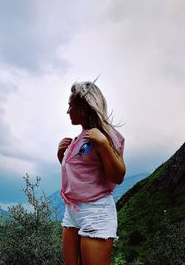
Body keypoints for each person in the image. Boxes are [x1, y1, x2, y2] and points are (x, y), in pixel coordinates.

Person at [57, 80, 126, 265]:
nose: (67, 111)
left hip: (96, 211)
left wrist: (103, 143)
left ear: (84, 108)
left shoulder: (106, 134)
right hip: (72, 210)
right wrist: (61, 156)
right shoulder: (80, 138)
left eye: (70, 105)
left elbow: (118, 176)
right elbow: (81, 175)